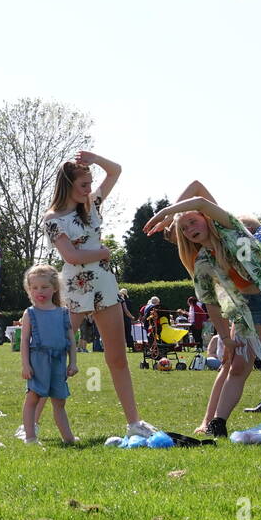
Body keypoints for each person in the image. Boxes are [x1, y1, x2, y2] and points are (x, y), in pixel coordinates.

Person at [148, 182, 261, 436]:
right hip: (251, 307)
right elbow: (212, 305)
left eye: (193, 222)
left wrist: (166, 214)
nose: (190, 229)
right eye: (184, 229)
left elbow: (200, 197)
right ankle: (217, 423)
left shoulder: (231, 229)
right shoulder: (203, 262)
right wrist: (226, 338)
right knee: (238, 365)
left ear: (206, 219)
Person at [43, 152, 156, 439]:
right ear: (67, 184)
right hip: (75, 287)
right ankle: (30, 422)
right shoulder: (54, 218)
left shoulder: (92, 204)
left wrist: (93, 158)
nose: (89, 189)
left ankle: (134, 422)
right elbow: (71, 256)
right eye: (83, 184)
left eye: (90, 183)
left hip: (105, 285)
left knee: (117, 357)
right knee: (55, 352)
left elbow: (116, 170)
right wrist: (103, 252)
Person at [17, 265, 78, 446]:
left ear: (55, 288)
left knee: (59, 401)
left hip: (59, 361)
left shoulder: (63, 312)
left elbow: (71, 339)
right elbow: (24, 341)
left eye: (44, 287)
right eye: (34, 288)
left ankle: (68, 437)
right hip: (38, 362)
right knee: (33, 398)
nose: (39, 291)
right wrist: (25, 365)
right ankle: (30, 437)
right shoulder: (30, 313)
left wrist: (73, 362)